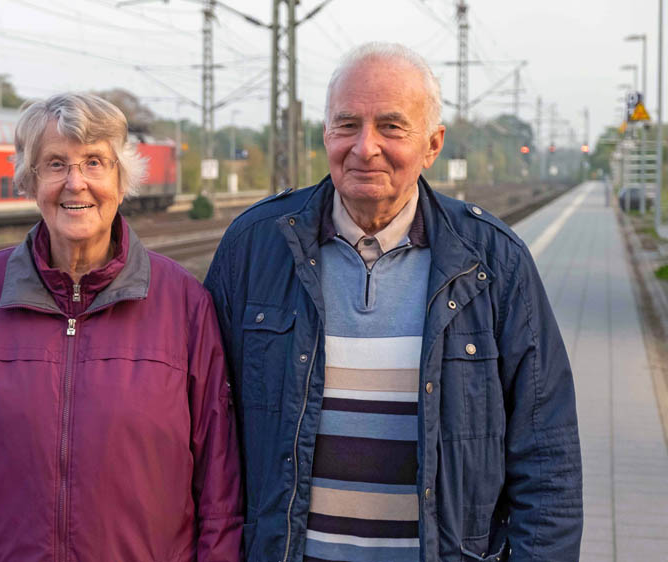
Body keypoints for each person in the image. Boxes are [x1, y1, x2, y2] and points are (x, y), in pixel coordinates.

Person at [204, 43, 582, 562]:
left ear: (432, 145)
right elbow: (203, 435)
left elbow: (548, 457)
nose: (365, 147)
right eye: (346, 124)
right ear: (325, 135)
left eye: (391, 126)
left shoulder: (493, 263)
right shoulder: (253, 247)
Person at [0, 92, 242, 561]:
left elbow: (220, 492)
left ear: (122, 180)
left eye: (95, 162)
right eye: (56, 164)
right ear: (30, 180)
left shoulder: (184, 303)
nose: (75, 183)